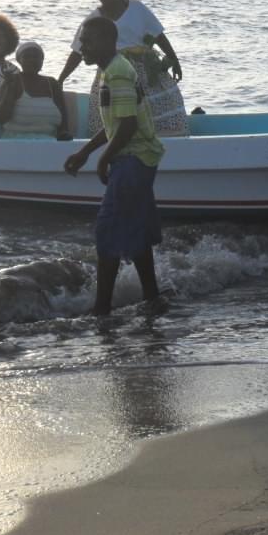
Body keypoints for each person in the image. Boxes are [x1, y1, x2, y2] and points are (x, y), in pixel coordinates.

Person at [63, 16, 164, 316]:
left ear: (108, 42)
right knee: (139, 233)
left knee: (107, 231)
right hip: (139, 157)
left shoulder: (118, 73)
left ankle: (101, 309)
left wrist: (104, 158)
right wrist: (84, 152)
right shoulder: (113, 71)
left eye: (88, 41)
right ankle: (152, 299)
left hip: (133, 159)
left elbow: (128, 126)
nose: (83, 47)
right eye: (82, 41)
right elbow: (115, 124)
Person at [57, 0, 187, 137]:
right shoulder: (93, 19)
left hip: (145, 69)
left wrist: (174, 60)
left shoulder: (136, 7)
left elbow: (159, 36)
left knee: (150, 113)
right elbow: (78, 51)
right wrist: (61, 78)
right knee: (113, 116)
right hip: (111, 72)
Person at [0, 41, 71, 140]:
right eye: (27, 56)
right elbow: (1, 119)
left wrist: (63, 136)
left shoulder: (52, 83)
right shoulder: (12, 81)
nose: (32, 60)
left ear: (42, 60)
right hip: (15, 142)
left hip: (49, 142)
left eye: (36, 56)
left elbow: (63, 120)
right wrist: (10, 87)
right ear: (19, 61)